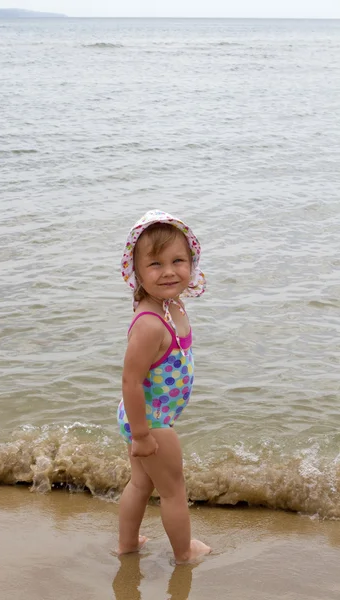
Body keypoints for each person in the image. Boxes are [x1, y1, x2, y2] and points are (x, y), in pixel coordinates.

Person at [117, 209, 211, 564]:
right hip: (151, 422)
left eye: (178, 261)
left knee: (141, 484)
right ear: (137, 272)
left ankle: (127, 545)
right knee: (173, 492)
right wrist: (142, 435)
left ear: (192, 262)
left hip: (147, 417)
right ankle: (184, 553)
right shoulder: (151, 324)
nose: (169, 271)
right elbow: (131, 380)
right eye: (155, 264)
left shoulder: (170, 304)